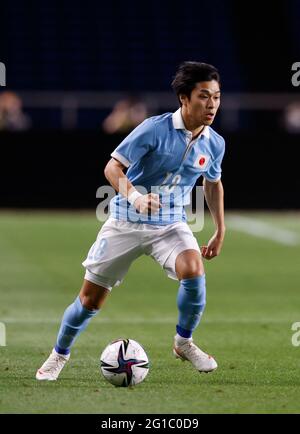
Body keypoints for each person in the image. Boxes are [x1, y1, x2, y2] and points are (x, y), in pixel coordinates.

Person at [36, 61, 226, 381]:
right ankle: (59, 354)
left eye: (217, 97)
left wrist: (220, 228)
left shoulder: (214, 143)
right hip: (125, 222)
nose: (212, 105)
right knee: (89, 301)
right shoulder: (154, 128)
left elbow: (212, 182)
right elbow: (112, 169)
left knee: (194, 271)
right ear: (184, 98)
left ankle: (184, 341)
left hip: (170, 224)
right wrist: (136, 197)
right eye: (204, 96)